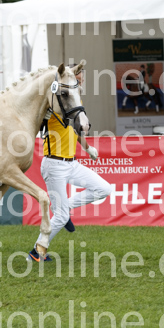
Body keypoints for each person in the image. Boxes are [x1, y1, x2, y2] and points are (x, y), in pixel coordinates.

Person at [27, 66, 112, 262]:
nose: (80, 83)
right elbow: (35, 124)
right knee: (62, 216)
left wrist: (88, 148)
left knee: (104, 189)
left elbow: (74, 130)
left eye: (81, 80)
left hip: (72, 163)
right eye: (78, 79)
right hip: (54, 164)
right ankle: (37, 252)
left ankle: (64, 209)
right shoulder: (52, 101)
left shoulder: (75, 101)